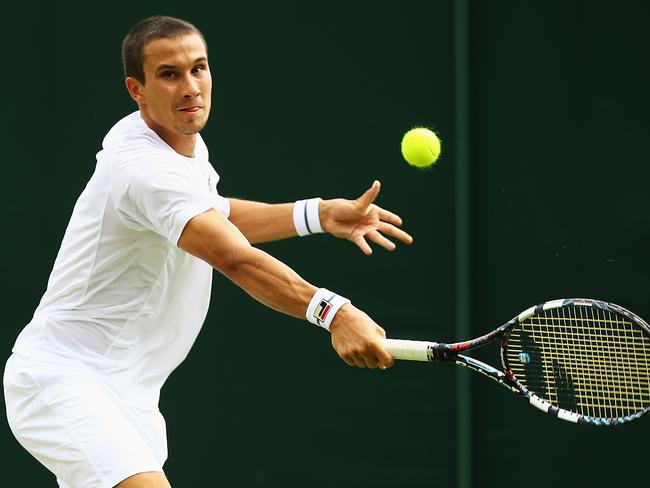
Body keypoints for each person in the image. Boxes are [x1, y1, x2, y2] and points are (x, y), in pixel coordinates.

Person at [3, 15, 413, 488]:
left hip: (131, 393)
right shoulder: (145, 170)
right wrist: (335, 313)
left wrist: (316, 215)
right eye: (170, 74)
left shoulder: (177, 140)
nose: (191, 88)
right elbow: (232, 257)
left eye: (199, 69)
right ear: (136, 89)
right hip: (66, 379)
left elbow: (213, 216)